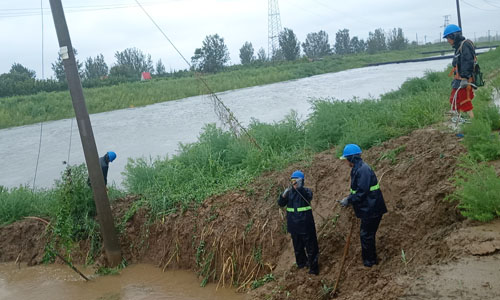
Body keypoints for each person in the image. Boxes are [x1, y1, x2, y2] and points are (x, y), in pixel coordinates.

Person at [338, 144, 387, 267]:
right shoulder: (357, 168)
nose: (346, 162)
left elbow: (362, 191)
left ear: (352, 158)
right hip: (369, 207)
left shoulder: (363, 169)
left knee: (366, 235)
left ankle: (369, 262)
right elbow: (357, 191)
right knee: (367, 235)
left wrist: (349, 200)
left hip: (372, 208)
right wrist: (350, 198)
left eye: (346, 159)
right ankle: (371, 260)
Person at [278, 170, 319, 275]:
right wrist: (282, 196)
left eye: (296, 180)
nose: (294, 182)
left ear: (302, 181)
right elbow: (281, 204)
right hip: (294, 226)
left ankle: (313, 269)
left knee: (311, 247)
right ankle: (301, 265)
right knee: (298, 247)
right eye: (292, 180)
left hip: (306, 225)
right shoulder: (289, 193)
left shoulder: (306, 191)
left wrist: (300, 188)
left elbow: (308, 196)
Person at [443, 24, 476, 119]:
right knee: (454, 100)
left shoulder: (465, 45)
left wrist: (465, 78)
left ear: (454, 36)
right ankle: (458, 123)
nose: (448, 41)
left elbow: (468, 62)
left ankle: (473, 124)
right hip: (458, 80)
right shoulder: (458, 47)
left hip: (464, 80)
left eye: (448, 38)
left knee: (465, 102)